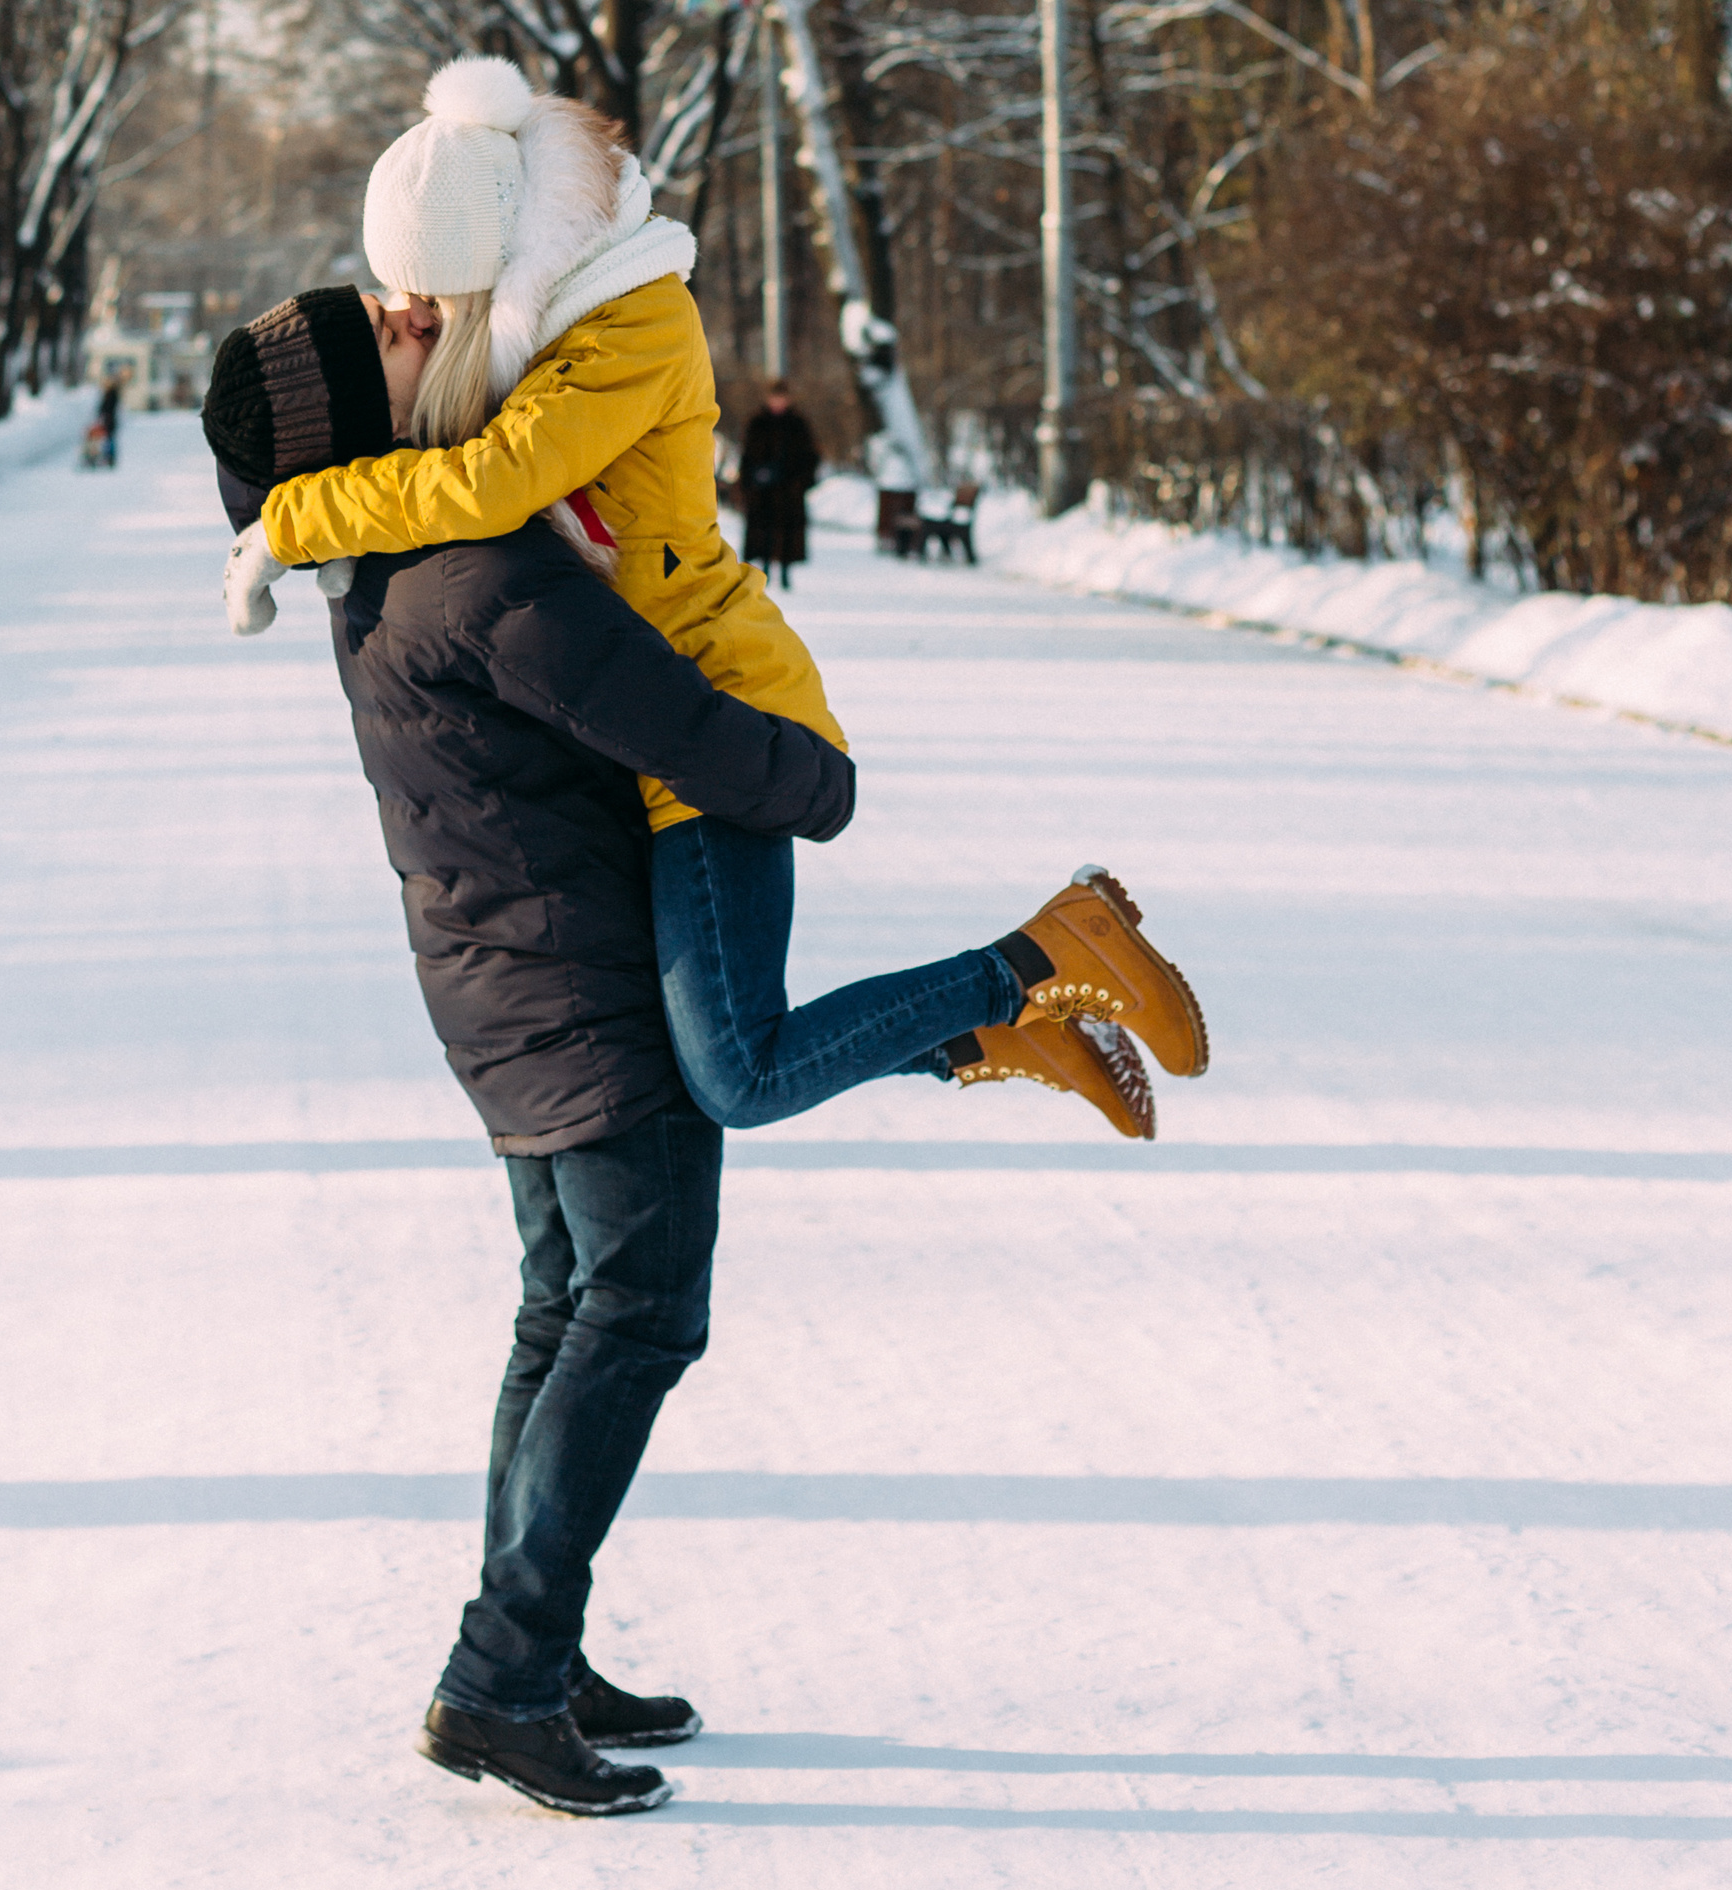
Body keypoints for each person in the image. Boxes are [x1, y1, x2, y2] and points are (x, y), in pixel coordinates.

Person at [202, 287, 1176, 1821]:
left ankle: (535, 1650)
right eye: (389, 334)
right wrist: (816, 784)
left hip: (506, 1011)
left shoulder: (372, 566)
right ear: (371, 419)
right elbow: (674, 716)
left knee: (558, 1317)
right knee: (637, 1318)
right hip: (591, 1009)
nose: (421, 317)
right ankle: (499, 1681)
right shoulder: (479, 569)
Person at [226, 59, 1209, 1156]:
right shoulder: (541, 338)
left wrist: (296, 517)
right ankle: (1004, 1034)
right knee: (708, 1053)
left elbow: (493, 484)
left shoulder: (625, 328)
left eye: (427, 296)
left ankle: (1043, 959)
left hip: (716, 709)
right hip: (647, 728)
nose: (415, 317)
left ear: (494, 259)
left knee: (738, 1075)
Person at [735, 380, 818, 588]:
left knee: (787, 532)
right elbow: (747, 455)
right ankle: (763, 571)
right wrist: (752, 478)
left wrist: (798, 480)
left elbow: (810, 456)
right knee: (763, 532)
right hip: (761, 490)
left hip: (788, 490)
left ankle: (784, 572)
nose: (778, 402)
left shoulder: (797, 424)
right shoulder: (757, 423)